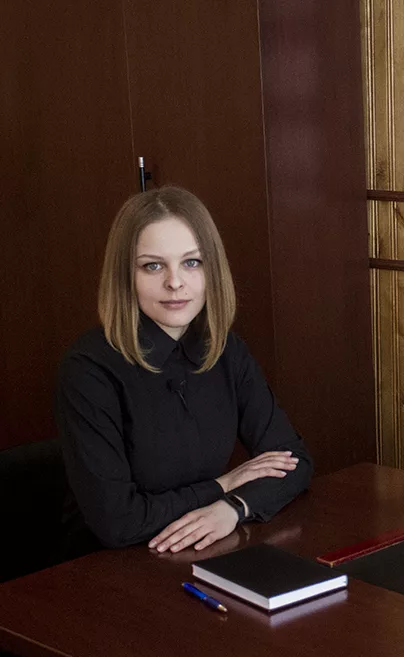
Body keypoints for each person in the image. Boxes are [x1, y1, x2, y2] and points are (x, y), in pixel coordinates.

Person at [56, 186, 313, 556]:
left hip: (198, 550)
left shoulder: (225, 349)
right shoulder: (88, 369)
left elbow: (294, 460)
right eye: (153, 266)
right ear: (125, 276)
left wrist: (233, 508)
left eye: (192, 262)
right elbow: (118, 522)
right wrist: (222, 486)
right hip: (106, 566)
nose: (175, 282)